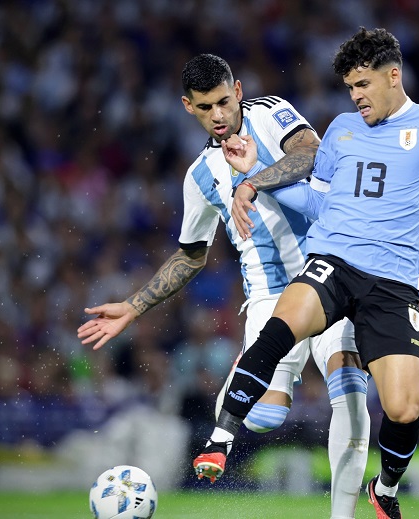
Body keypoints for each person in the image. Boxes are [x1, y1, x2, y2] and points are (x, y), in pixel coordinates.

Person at [193, 28, 419, 519]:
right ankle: (220, 437)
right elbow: (318, 203)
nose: (356, 96)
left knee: (404, 409)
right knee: (282, 323)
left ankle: (383, 489)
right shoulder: (341, 129)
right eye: (349, 87)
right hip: (334, 262)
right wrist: (258, 172)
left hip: (393, 286)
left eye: (363, 84)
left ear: (393, 76)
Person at [78, 54, 370, 519]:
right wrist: (134, 306)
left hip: (329, 272)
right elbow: (191, 254)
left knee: (349, 392)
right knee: (264, 417)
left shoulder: (270, 113)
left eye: (223, 102)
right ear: (187, 107)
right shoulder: (199, 176)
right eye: (204, 107)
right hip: (270, 297)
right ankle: (245, 374)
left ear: (237, 91)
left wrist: (251, 183)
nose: (217, 115)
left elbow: (310, 153)